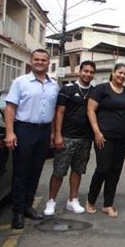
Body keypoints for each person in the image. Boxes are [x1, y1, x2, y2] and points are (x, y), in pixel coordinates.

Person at [4, 49, 59, 229]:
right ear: (31, 61)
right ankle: (18, 212)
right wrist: (10, 133)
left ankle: (28, 206)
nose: (40, 62)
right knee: (21, 172)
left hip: (43, 132)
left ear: (48, 62)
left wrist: (51, 133)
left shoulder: (54, 86)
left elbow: (52, 112)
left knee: (36, 171)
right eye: (37, 59)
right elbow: (10, 108)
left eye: (43, 60)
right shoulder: (20, 82)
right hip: (24, 130)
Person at [43, 61, 96, 216]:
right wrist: (57, 134)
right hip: (67, 137)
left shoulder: (94, 92)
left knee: (78, 171)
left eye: (91, 72)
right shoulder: (67, 89)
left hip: (85, 139)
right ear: (80, 71)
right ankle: (51, 201)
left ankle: (72, 200)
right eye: (85, 71)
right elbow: (59, 112)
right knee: (59, 171)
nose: (88, 74)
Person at [86, 63, 125, 218]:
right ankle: (90, 200)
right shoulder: (101, 89)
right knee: (103, 168)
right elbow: (90, 110)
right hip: (103, 136)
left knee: (115, 171)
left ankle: (108, 204)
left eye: (124, 74)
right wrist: (97, 132)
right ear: (113, 73)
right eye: (119, 73)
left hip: (121, 137)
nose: (122, 76)